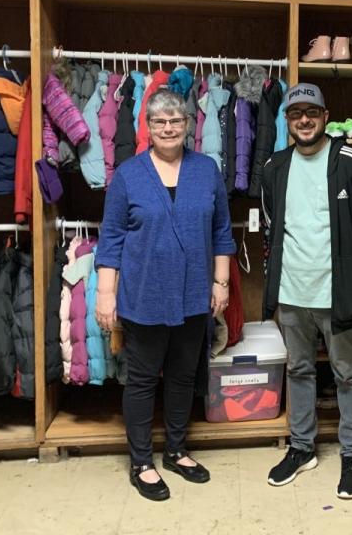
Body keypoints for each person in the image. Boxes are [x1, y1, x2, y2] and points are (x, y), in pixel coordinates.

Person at [95, 89, 236, 502]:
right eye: (160, 122)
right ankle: (141, 462)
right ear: (148, 128)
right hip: (144, 295)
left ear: (189, 125)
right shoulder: (129, 174)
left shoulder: (207, 170)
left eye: (176, 120)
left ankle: (176, 450)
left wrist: (221, 283)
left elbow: (222, 233)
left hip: (194, 295)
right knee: (141, 380)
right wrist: (106, 294)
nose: (169, 128)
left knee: (182, 376)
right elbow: (111, 239)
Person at [261, 83, 352, 500]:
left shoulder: (351, 161)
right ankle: (302, 448)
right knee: (298, 370)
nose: (303, 119)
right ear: (287, 120)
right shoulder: (275, 166)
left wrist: (348, 265)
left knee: (347, 373)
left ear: (325, 115)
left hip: (337, 294)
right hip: (291, 292)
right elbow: (270, 222)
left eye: (311, 112)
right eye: (295, 113)